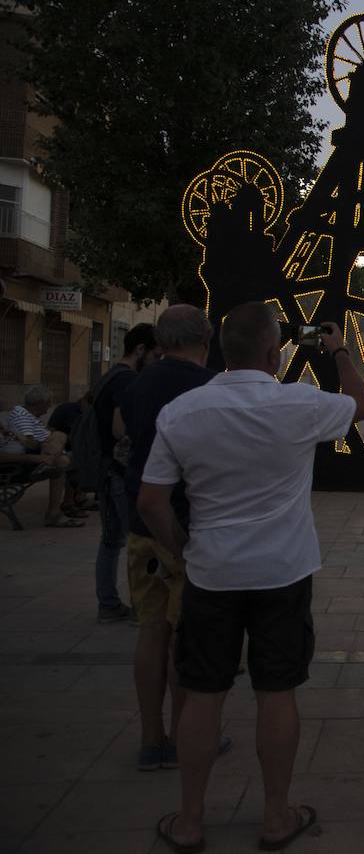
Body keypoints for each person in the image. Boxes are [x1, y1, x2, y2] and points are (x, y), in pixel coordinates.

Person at [138, 303, 364, 851]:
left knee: (202, 694)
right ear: (274, 352)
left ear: (221, 349)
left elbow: (151, 500)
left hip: (212, 572)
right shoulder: (297, 402)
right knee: (276, 691)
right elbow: (360, 403)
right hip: (282, 572)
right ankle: (275, 816)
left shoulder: (184, 411)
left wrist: (182, 548)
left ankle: (190, 820)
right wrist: (335, 348)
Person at [116, 306, 218, 771]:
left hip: (140, 527)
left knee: (151, 630)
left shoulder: (138, 383)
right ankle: (184, 738)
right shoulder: (205, 389)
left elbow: (126, 437)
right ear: (206, 338)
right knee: (184, 637)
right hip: (183, 527)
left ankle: (151, 738)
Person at [91, 323, 159, 623]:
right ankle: (137, 605)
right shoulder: (128, 380)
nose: (157, 361)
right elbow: (120, 429)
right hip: (119, 472)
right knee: (136, 541)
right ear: (141, 350)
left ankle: (108, 604)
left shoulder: (109, 376)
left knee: (111, 540)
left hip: (105, 468)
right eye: (155, 355)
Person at [6, 386, 80, 528]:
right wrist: (48, 440)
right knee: (63, 449)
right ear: (40, 403)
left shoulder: (28, 416)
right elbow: (29, 443)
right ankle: (57, 511)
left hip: (44, 456)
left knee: (66, 456)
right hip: (30, 460)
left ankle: (59, 510)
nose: (50, 405)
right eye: (48, 402)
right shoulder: (21, 414)